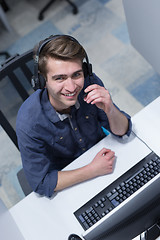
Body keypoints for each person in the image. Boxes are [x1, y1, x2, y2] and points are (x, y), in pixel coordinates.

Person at [16, 35, 132, 198]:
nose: (71, 88)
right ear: (42, 81)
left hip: (104, 160)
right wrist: (92, 170)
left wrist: (110, 108)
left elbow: (123, 132)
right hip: (69, 182)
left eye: (77, 75)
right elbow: (41, 183)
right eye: (60, 78)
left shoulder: (90, 83)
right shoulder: (28, 122)